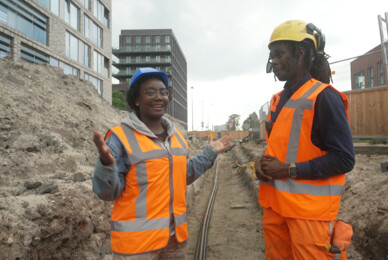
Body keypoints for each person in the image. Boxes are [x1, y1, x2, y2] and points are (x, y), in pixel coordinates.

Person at [92, 67, 232, 259]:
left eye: (163, 92)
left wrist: (210, 153)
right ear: (136, 99)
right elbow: (107, 193)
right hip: (137, 247)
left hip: (175, 240)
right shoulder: (120, 138)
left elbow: (182, 176)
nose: (159, 97)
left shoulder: (176, 137)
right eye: (150, 92)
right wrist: (106, 165)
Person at [255, 20, 355, 260]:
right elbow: (286, 148)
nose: (274, 61)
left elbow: (343, 159)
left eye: (279, 54)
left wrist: (288, 170)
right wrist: (261, 165)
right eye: (272, 56)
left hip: (309, 217)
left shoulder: (324, 97)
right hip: (275, 210)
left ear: (300, 53)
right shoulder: (278, 101)